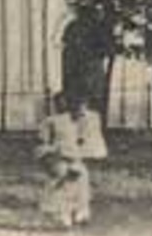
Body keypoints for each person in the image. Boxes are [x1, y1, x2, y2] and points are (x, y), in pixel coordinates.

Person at [36, 91, 108, 228]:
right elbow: (42, 145)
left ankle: (81, 213)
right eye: (57, 103)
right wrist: (50, 156)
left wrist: (81, 157)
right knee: (63, 180)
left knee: (81, 179)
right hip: (57, 160)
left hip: (75, 160)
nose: (60, 106)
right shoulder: (51, 121)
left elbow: (89, 145)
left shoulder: (83, 121)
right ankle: (62, 215)